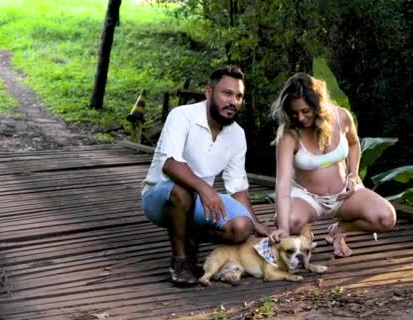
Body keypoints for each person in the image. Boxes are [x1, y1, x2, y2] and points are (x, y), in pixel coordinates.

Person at [141, 65, 270, 287]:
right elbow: (170, 164)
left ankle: (192, 235)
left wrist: (255, 223)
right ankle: (180, 262)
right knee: (182, 191)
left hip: (199, 200)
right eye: (227, 93)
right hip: (160, 197)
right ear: (209, 92)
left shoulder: (237, 134)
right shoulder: (182, 115)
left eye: (238, 96)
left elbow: (237, 187)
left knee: (241, 226)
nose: (233, 101)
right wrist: (205, 188)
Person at [268, 72, 396, 257]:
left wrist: (353, 174)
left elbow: (354, 144)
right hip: (308, 198)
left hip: (344, 193)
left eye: (306, 111)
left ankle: (338, 230)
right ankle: (304, 232)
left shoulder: (342, 117)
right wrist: (283, 227)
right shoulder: (289, 135)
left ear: (318, 105)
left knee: (386, 218)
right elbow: (283, 182)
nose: (301, 118)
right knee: (289, 221)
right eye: (294, 113)